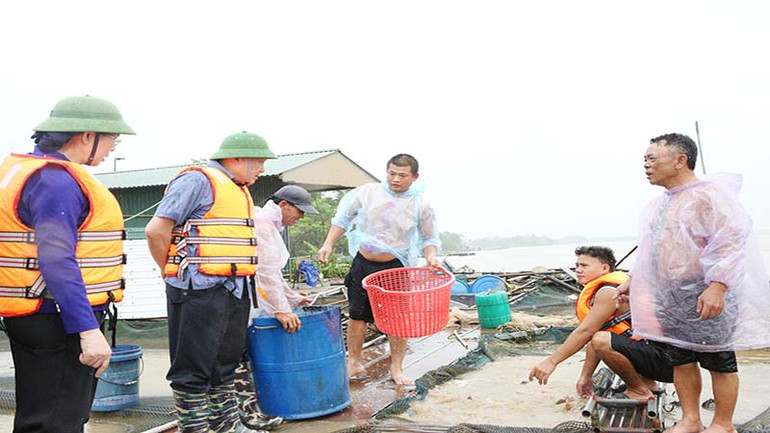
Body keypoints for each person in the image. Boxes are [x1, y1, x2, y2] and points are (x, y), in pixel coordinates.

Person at [616, 133, 770, 433]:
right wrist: (633, 281)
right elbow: (652, 250)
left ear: (679, 160)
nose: (645, 166)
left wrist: (718, 285)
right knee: (680, 358)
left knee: (718, 359)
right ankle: (691, 418)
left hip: (704, 289)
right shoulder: (659, 204)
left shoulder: (708, 194)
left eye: (651, 158)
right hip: (670, 294)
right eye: (644, 160)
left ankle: (723, 424)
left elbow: (730, 240)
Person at [0, 95, 134, 432]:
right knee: (57, 421)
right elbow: (56, 258)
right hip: (57, 319)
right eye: (112, 139)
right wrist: (87, 331)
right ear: (87, 136)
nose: (113, 148)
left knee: (39, 416)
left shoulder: (20, 170)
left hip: (32, 313)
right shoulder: (56, 181)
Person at [145, 131, 275, 433]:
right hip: (197, 290)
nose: (262, 170)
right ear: (237, 158)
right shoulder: (197, 181)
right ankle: (195, 428)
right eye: (260, 162)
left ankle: (227, 427)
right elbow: (156, 231)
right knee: (192, 369)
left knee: (224, 364)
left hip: (234, 287)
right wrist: (171, 271)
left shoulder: (237, 188)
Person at [317, 154, 440, 386]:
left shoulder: (420, 204)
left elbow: (429, 238)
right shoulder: (367, 193)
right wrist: (328, 244)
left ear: (415, 177)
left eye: (402, 175)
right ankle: (353, 362)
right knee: (357, 314)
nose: (395, 179)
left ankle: (397, 368)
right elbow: (342, 219)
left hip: (395, 267)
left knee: (397, 319)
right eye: (391, 173)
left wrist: (431, 256)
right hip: (364, 261)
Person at [528, 246, 673, 400]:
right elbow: (594, 337)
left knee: (602, 339)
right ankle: (648, 384)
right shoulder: (610, 287)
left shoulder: (608, 292)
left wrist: (551, 361)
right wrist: (586, 376)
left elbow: (587, 332)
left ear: (604, 268)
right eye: (577, 266)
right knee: (603, 337)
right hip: (660, 358)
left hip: (667, 362)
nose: (578, 270)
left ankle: (638, 391)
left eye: (584, 266)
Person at [235, 185, 319, 430]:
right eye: (299, 211)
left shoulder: (267, 224)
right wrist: (282, 310)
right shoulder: (262, 225)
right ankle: (247, 415)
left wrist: (293, 298)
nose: (301, 217)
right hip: (239, 302)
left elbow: (273, 274)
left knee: (241, 354)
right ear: (283, 205)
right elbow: (266, 274)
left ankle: (239, 412)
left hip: (246, 300)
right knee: (238, 356)